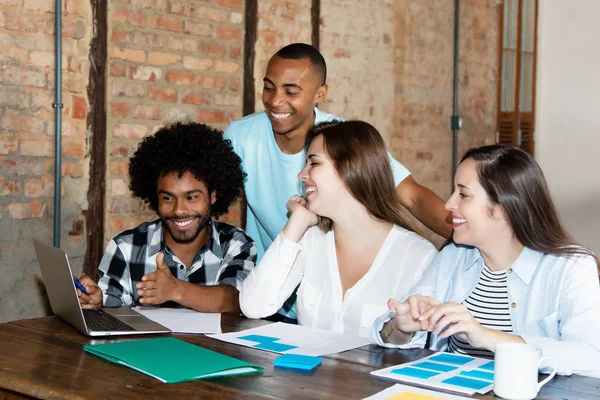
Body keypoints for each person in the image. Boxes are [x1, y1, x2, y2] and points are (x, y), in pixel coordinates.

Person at [373, 145, 600, 377]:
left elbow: (591, 358)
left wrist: (485, 336)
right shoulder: (453, 256)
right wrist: (402, 326)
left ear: (503, 207)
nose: (449, 204)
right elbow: (392, 337)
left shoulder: (571, 267)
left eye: (463, 194)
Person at [239, 121, 437, 338]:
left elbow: (416, 345)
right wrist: (297, 221)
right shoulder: (311, 240)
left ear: (350, 167)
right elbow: (253, 306)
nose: (302, 175)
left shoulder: (418, 256)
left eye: (313, 163)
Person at [77, 122, 257, 313]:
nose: (179, 210)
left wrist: (175, 289)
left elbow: (235, 301)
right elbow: (109, 308)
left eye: (192, 197)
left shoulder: (236, 244)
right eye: (168, 198)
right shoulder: (126, 248)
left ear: (213, 195)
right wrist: (96, 302)